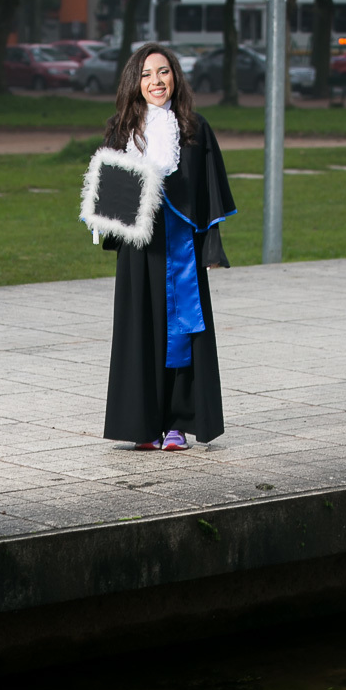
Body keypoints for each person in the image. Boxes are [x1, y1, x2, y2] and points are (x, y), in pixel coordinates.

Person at [100, 44, 236, 453]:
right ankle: (143, 425)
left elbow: (210, 194)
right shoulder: (121, 129)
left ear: (175, 76)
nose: (156, 82)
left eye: (163, 72)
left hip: (180, 246)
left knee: (182, 332)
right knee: (140, 329)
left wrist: (212, 247)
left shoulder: (194, 127)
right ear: (134, 82)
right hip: (138, 250)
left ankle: (178, 423)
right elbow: (111, 196)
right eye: (146, 74)